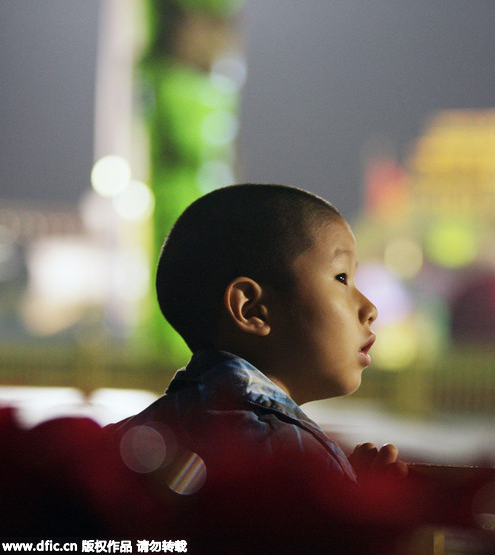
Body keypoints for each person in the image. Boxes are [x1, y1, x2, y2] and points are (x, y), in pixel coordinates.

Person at [106, 183, 406, 485]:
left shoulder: (127, 441)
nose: (370, 308)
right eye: (342, 277)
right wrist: (355, 506)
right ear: (252, 309)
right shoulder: (295, 459)